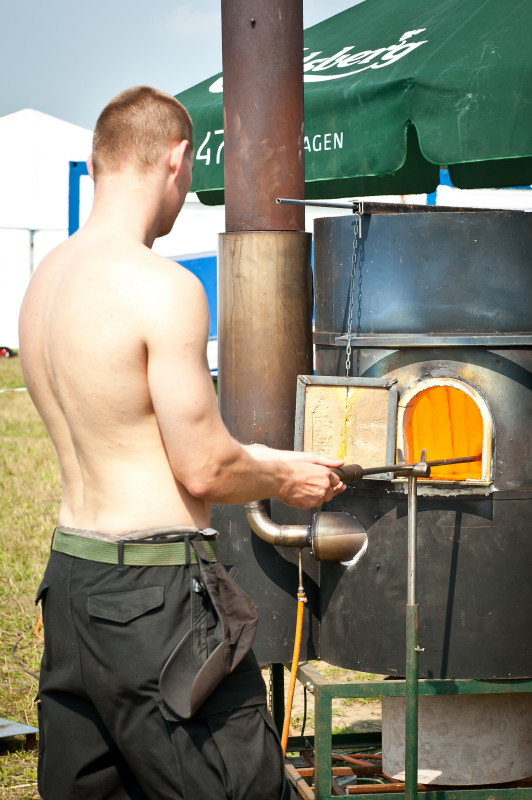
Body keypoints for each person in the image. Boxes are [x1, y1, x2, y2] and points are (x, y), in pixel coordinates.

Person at [19, 86, 345, 800]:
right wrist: (285, 474)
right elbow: (203, 466)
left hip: (71, 582)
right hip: (155, 591)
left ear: (97, 162)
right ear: (176, 159)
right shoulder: (161, 286)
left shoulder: (43, 284)